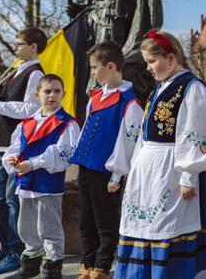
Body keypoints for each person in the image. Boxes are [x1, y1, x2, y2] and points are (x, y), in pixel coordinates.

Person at [115, 30, 206, 278]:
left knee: (166, 229)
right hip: (149, 172)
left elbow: (195, 133)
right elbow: (144, 133)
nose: (148, 68)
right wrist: (133, 169)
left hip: (171, 171)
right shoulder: (160, 88)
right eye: (147, 62)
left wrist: (187, 177)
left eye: (152, 61)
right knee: (146, 228)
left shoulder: (191, 88)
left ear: (171, 58)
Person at [0, 28, 47, 275]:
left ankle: (17, 251)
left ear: (34, 46)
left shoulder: (35, 74)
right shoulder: (17, 69)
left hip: (17, 147)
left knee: (12, 200)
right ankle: (5, 247)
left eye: (19, 43)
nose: (15, 48)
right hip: (0, 145)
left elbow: (29, 109)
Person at [69, 41, 143, 279]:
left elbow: (126, 143)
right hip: (87, 165)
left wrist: (116, 175)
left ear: (110, 66)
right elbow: (87, 129)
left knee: (106, 220)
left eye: (94, 67)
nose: (92, 73)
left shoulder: (129, 103)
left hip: (106, 171)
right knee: (85, 218)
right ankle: (87, 263)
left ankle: (101, 267)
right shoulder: (96, 96)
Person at [2, 74, 80, 278]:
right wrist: (12, 159)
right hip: (25, 181)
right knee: (25, 225)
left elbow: (64, 152)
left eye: (57, 91)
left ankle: (52, 268)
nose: (52, 95)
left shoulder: (67, 123)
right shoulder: (27, 123)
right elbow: (15, 147)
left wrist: (33, 164)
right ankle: (30, 264)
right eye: (47, 91)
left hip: (47, 182)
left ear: (63, 94)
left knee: (49, 225)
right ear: (38, 95)